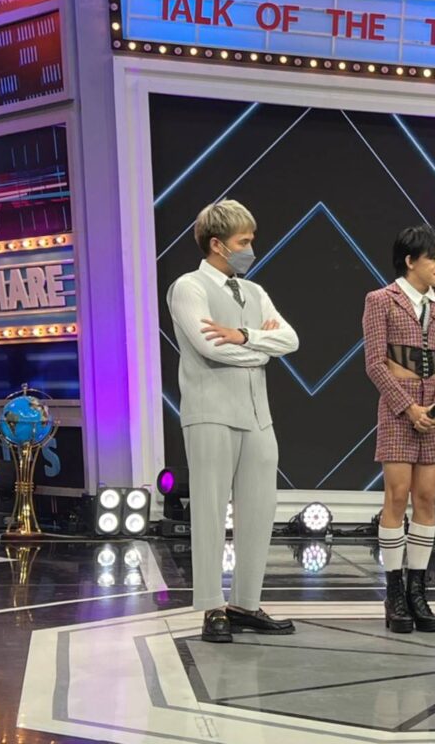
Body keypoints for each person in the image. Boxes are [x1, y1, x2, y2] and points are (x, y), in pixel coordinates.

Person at [167, 199, 300, 643]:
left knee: (259, 510)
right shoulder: (189, 288)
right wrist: (262, 351)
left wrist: (245, 336)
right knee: (209, 508)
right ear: (217, 244)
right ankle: (211, 607)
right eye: (244, 241)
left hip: (258, 414)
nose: (250, 249)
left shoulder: (256, 292)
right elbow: (210, 347)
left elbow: (291, 339)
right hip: (211, 411)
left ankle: (245, 603)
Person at [362, 225, 435, 633]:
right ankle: (394, 592)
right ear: (409, 261)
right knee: (397, 496)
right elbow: (374, 363)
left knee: (427, 498)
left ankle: (418, 590)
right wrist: (408, 407)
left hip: (433, 416)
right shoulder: (380, 300)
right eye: (432, 257)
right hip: (398, 414)